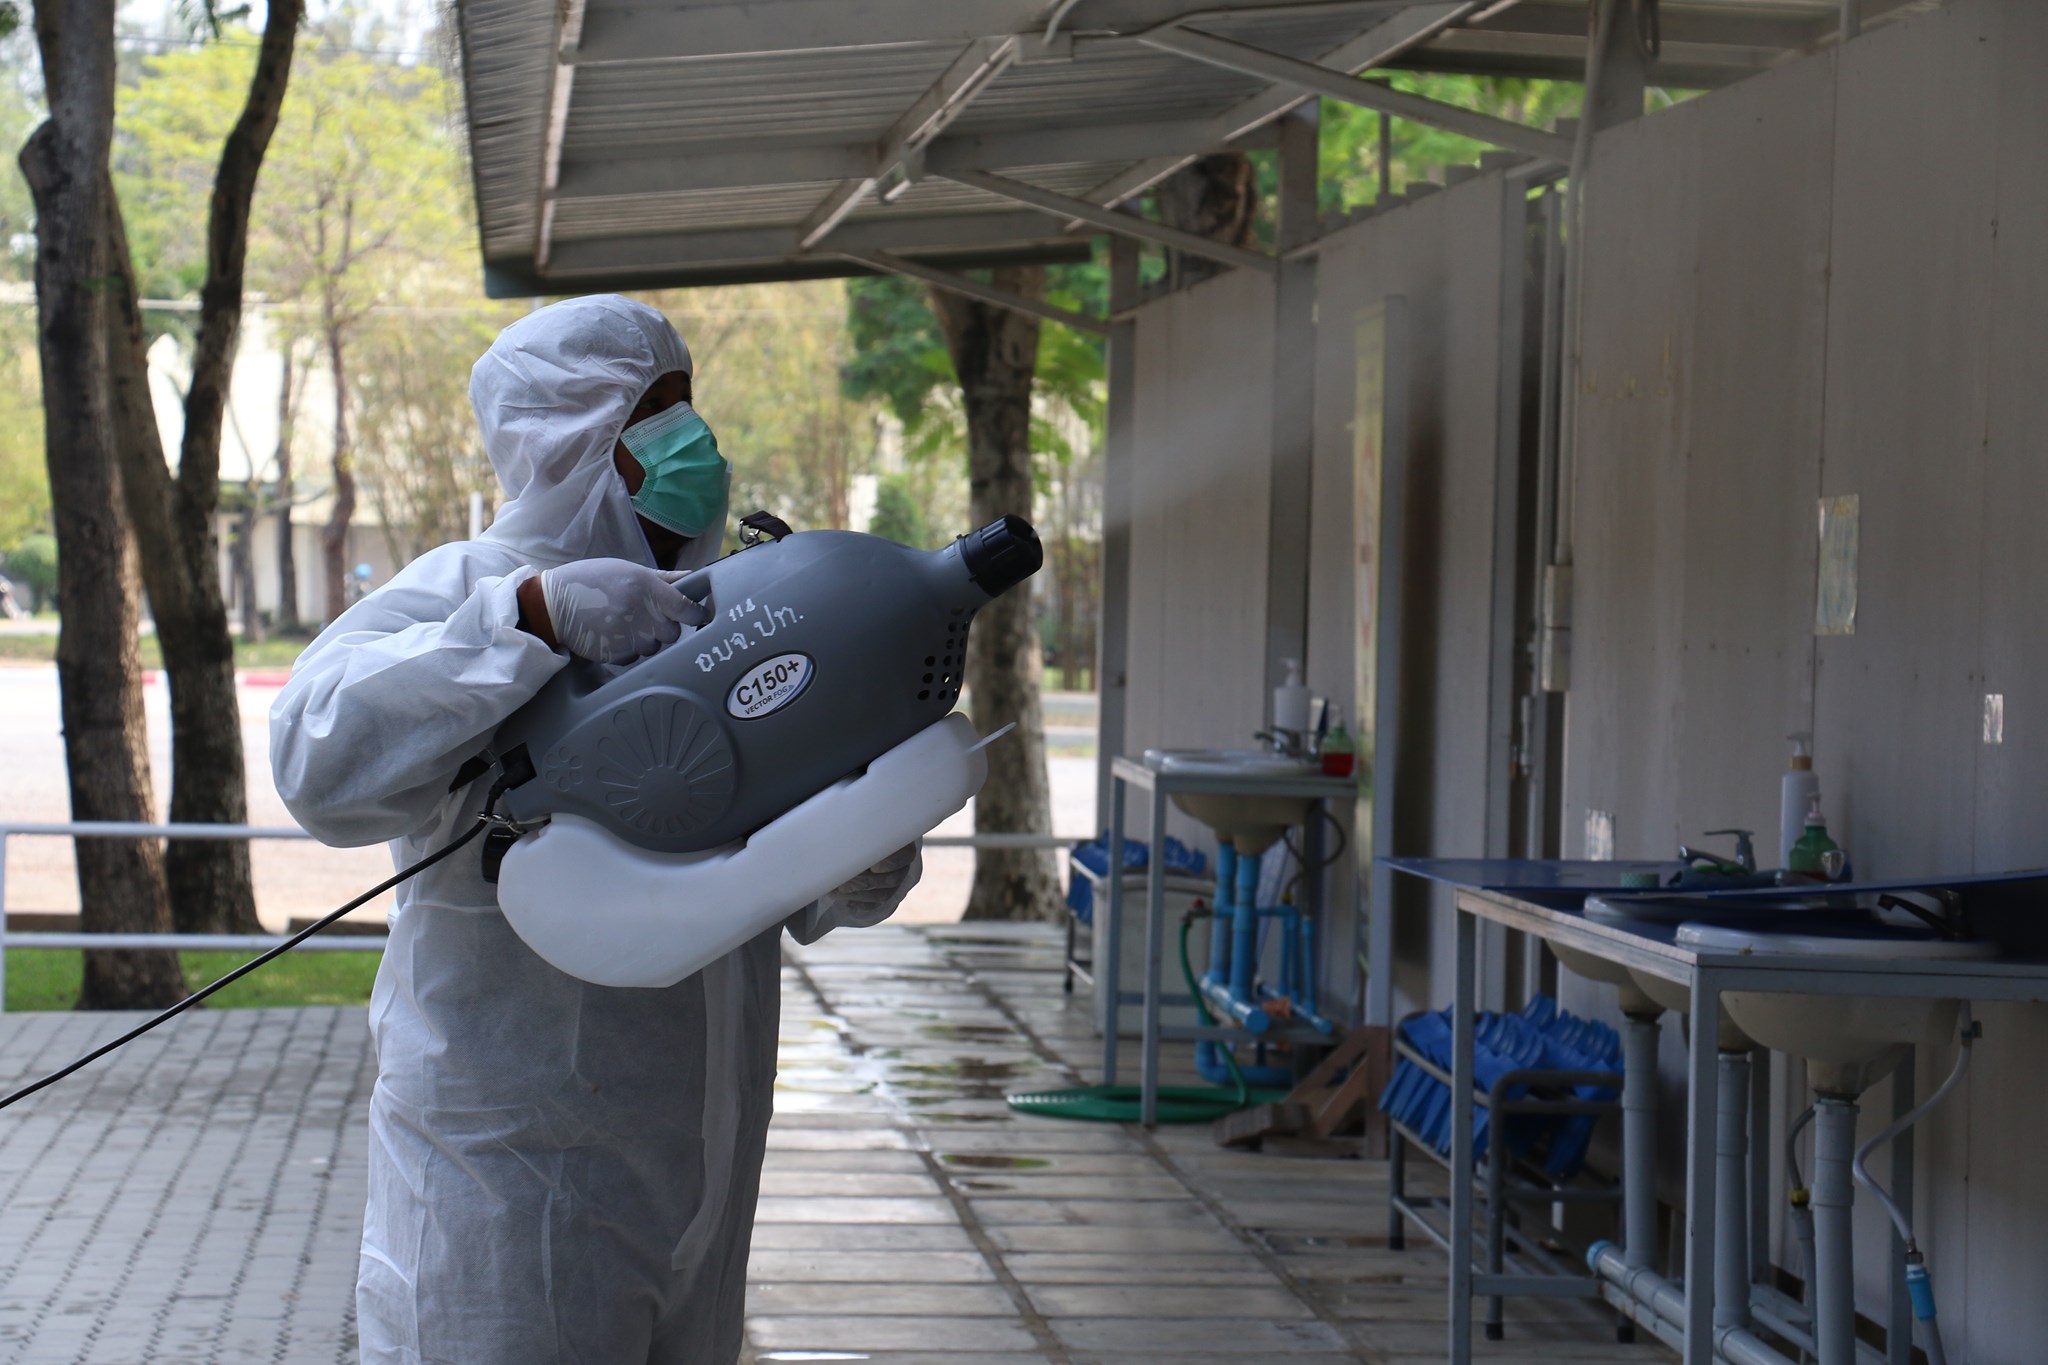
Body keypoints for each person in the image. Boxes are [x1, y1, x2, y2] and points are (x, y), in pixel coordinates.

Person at [270, 294, 921, 1364]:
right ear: (570, 441)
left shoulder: (728, 614)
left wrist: (862, 849)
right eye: (655, 418)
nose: (695, 448)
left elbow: (778, 874)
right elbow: (315, 758)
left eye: (689, 410)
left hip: (695, 1176)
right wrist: (531, 621)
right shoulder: (461, 591)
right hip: (506, 1178)